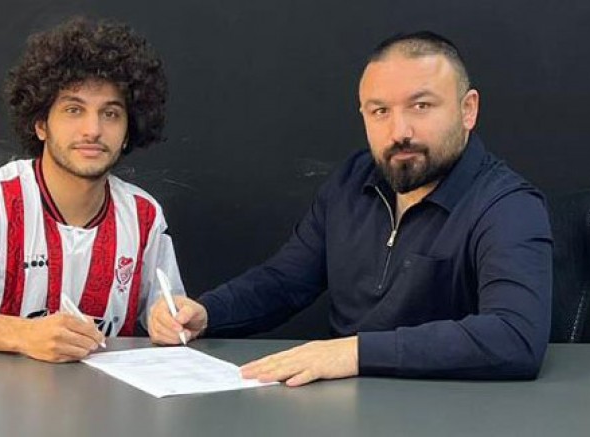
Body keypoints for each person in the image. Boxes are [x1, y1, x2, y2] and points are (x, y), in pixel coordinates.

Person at [148, 31, 552, 385]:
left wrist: (353, 352)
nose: (400, 132)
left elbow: (514, 336)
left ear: (468, 110)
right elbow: (285, 281)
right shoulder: (351, 182)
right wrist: (207, 313)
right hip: (345, 407)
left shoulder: (507, 205)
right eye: (380, 111)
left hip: (449, 411)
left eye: (421, 106)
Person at [0, 17, 184, 363]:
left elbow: (167, 310)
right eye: (74, 110)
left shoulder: (143, 214)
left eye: (110, 114)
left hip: (110, 396)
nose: (92, 129)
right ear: (41, 124)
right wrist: (23, 334)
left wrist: (173, 319)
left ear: (127, 131)